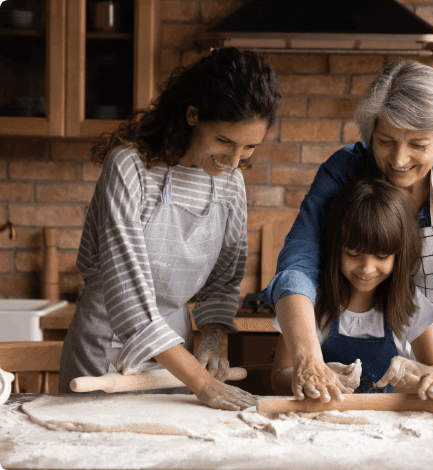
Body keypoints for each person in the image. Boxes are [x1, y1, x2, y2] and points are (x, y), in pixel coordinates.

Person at [260, 59, 433, 403]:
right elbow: (298, 266)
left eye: (418, 145)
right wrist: (309, 362)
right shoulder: (344, 172)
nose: (399, 159)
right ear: (370, 133)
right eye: (385, 141)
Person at [59, 47, 281, 411]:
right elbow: (128, 299)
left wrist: (209, 343)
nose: (235, 161)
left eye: (250, 148)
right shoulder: (129, 168)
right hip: (106, 348)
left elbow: (222, 283)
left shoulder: (231, 183)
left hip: (177, 355)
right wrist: (201, 381)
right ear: (193, 114)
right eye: (225, 141)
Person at [271, 178, 433, 395]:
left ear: (398, 256)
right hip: (322, 422)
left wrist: (418, 372)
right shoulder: (308, 302)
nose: (367, 269)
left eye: (381, 256)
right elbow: (278, 377)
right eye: (353, 254)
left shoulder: (409, 303)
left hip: (386, 427)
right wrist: (317, 375)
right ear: (336, 248)